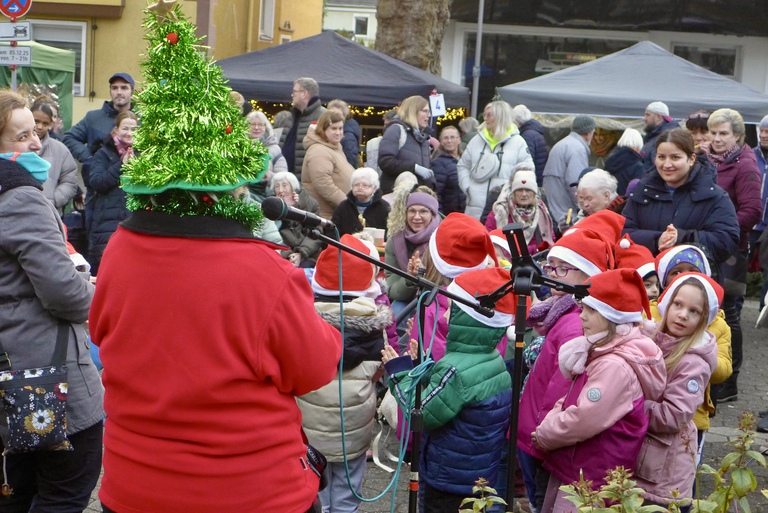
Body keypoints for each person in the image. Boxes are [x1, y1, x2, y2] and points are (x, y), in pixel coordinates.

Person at [0, 89, 104, 512]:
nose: (36, 143)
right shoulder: (21, 198)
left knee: (15, 496)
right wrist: (93, 290)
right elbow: (66, 296)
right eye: (21, 136)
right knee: (63, 494)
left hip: (11, 372)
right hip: (45, 382)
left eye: (36, 133)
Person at [382, 267, 516, 513]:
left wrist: (398, 372)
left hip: (447, 481)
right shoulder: (492, 359)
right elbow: (451, 399)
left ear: (469, 319)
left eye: (452, 310)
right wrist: (421, 370)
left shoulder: (454, 369)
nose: (443, 317)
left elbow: (419, 412)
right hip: (476, 477)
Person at [532, 269, 665, 513]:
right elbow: (573, 395)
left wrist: (546, 433)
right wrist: (553, 417)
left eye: (591, 310)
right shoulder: (602, 351)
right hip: (580, 468)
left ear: (613, 318)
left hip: (592, 477)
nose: (581, 317)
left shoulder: (614, 366)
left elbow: (585, 418)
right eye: (583, 308)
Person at [517, 211, 624, 512]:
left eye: (563, 269)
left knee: (540, 501)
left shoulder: (576, 324)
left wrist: (542, 433)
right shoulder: (559, 313)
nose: (551, 274)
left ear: (588, 277)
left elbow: (561, 388)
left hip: (539, 436)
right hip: (532, 431)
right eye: (551, 266)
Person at [298, 234, 392, 513]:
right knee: (348, 495)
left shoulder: (303, 321)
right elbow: (378, 372)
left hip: (310, 433)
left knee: (317, 497)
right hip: (353, 431)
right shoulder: (375, 326)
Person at [634, 273, 720, 509]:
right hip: (644, 460)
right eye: (678, 305)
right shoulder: (653, 340)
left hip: (662, 474)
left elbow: (673, 415)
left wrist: (630, 405)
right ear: (667, 305)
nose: (683, 314)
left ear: (704, 319)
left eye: (694, 311)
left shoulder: (694, 363)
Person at [703, 108, 762, 403]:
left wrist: (721, 231)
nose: (716, 139)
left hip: (730, 251)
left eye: (723, 133)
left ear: (737, 136)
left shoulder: (745, 165)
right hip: (706, 247)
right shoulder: (707, 161)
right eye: (713, 132)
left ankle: (731, 382)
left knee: (730, 313)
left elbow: (752, 210)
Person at [652, 245, 733, 457]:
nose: (683, 315)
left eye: (692, 270)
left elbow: (724, 370)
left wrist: (703, 355)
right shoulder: (651, 317)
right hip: (651, 419)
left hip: (693, 417)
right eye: (676, 272)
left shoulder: (717, 326)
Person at [622, 128, 740, 265]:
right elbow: (623, 233)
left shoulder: (715, 196)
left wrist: (682, 238)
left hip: (692, 281)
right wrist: (657, 239)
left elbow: (726, 241)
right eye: (661, 157)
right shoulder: (642, 191)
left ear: (691, 159)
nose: (666, 164)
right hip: (647, 280)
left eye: (675, 157)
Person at [62, 72, 135, 233]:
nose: (119, 92)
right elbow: (69, 137)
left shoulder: (141, 120)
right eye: (114, 88)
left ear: (132, 91)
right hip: (97, 192)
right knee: (96, 238)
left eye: (124, 88)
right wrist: (89, 158)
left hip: (130, 196)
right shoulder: (93, 118)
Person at [457, 100, 534, 220]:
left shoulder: (518, 142)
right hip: (474, 209)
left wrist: (512, 192)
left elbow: (527, 172)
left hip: (504, 207)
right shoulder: (476, 140)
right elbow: (462, 165)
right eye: (484, 115)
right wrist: (467, 187)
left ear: (500, 117)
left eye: (489, 115)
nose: (485, 118)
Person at [87, 110, 139, 276]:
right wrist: (121, 166)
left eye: (134, 129)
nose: (129, 133)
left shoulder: (144, 154)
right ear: (116, 130)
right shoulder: (103, 153)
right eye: (125, 128)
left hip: (134, 219)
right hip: (106, 223)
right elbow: (97, 182)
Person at [384, 187, 440, 311]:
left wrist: (424, 274)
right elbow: (393, 290)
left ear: (432, 214)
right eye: (412, 211)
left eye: (423, 211)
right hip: (405, 299)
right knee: (396, 310)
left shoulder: (442, 239)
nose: (416, 217)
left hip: (435, 300)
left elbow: (447, 285)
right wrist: (410, 277)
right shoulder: (394, 241)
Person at [541, 115, 596, 231]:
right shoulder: (577, 149)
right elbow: (577, 185)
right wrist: (583, 210)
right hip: (565, 215)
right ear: (588, 133)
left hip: (553, 209)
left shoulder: (562, 144)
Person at [485, 169, 555, 256]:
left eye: (528, 190)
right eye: (520, 190)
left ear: (534, 193)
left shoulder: (543, 213)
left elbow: (550, 241)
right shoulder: (499, 212)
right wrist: (533, 249)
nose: (524, 194)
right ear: (513, 193)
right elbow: (489, 241)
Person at [301, 110, 356, 219]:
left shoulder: (334, 147)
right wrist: (347, 205)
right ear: (323, 129)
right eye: (334, 128)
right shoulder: (319, 151)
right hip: (325, 215)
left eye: (340, 128)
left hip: (334, 213)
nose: (338, 132)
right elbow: (324, 184)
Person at [378, 95, 434, 194]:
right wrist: (414, 167)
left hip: (416, 197)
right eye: (425, 111)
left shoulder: (423, 137)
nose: (428, 115)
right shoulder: (396, 130)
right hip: (396, 196)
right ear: (413, 111)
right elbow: (385, 161)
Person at [32, 97, 78, 215]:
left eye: (45, 123)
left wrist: (54, 199)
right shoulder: (15, 145)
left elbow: (70, 180)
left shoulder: (60, 150)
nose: (40, 126)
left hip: (50, 214)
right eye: (36, 121)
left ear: (51, 125)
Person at [271, 171, 322, 267]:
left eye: (284, 185)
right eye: (277, 186)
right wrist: (283, 210)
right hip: (283, 254)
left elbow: (315, 233)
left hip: (308, 254)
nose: (280, 190)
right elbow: (273, 235)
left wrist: (300, 253)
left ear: (293, 187)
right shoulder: (271, 207)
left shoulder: (310, 204)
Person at [280, 77, 327, 180]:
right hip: (287, 180)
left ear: (304, 93)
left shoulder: (323, 117)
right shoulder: (291, 117)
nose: (292, 95)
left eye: (294, 91)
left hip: (307, 182)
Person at [331, 166, 389, 236]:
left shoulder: (384, 208)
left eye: (365, 185)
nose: (360, 188)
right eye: (356, 185)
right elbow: (333, 231)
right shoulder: (343, 207)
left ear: (374, 188)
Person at [431, 125, 466, 215]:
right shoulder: (438, 162)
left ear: (459, 139)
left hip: (465, 212)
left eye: (452, 137)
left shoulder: (465, 160)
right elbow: (436, 193)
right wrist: (440, 216)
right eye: (446, 138)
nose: (449, 141)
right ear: (441, 142)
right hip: (449, 214)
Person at [513, 104, 549, 186]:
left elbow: (526, 163)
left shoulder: (527, 136)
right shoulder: (536, 131)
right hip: (539, 177)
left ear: (518, 121)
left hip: (532, 180)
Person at [754, 114, 768, 315]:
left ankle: (764, 309)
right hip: (750, 224)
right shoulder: (750, 155)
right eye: (762, 131)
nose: (764, 135)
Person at [603, 127, 645, 196]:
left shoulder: (609, 160)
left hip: (610, 201)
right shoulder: (638, 166)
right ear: (638, 146)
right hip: (626, 204)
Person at [247, 110, 288, 180]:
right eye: (253, 124)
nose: (256, 128)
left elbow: (283, 177)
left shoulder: (275, 149)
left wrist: (267, 175)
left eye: (260, 124)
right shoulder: (238, 147)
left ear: (266, 127)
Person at [640, 101, 678, 171]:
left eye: (648, 115)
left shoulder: (666, 138)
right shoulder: (653, 137)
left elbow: (658, 168)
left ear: (658, 117)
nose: (644, 118)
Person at [328, 99, 361, 168]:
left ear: (344, 116)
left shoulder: (348, 136)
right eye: (330, 113)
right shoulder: (338, 130)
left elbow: (351, 160)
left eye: (337, 114)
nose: (333, 117)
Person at [364, 109, 397, 175]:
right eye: (385, 124)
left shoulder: (405, 145)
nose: (387, 128)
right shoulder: (372, 143)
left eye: (390, 125)